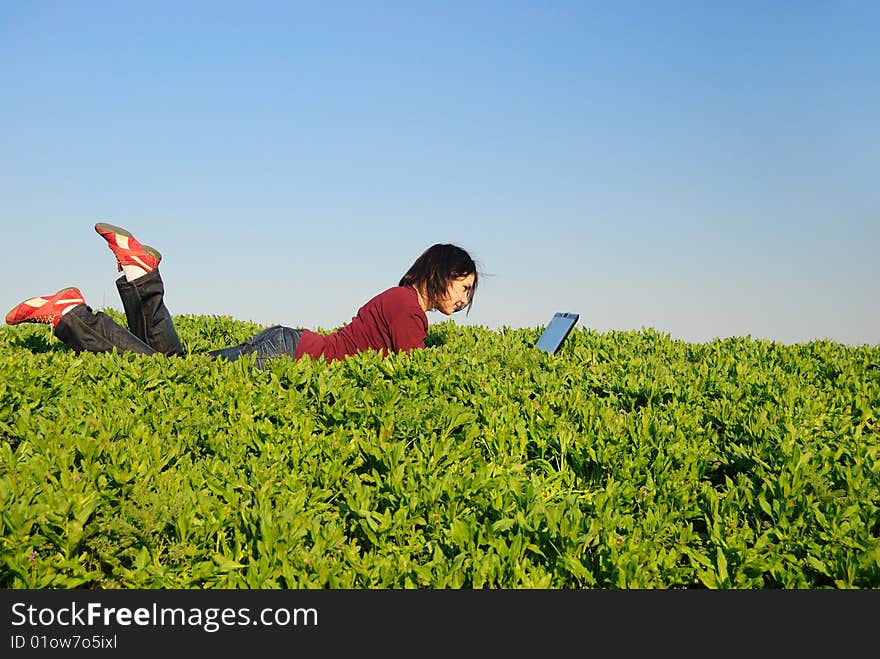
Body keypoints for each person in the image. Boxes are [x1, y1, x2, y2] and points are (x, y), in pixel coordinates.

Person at [5, 223, 479, 368]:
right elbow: (411, 373)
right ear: (440, 274)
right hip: (290, 354)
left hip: (288, 343)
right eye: (463, 288)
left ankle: (140, 275)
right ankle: (71, 316)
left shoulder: (396, 298)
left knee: (177, 367)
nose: (463, 300)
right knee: (172, 377)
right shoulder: (409, 312)